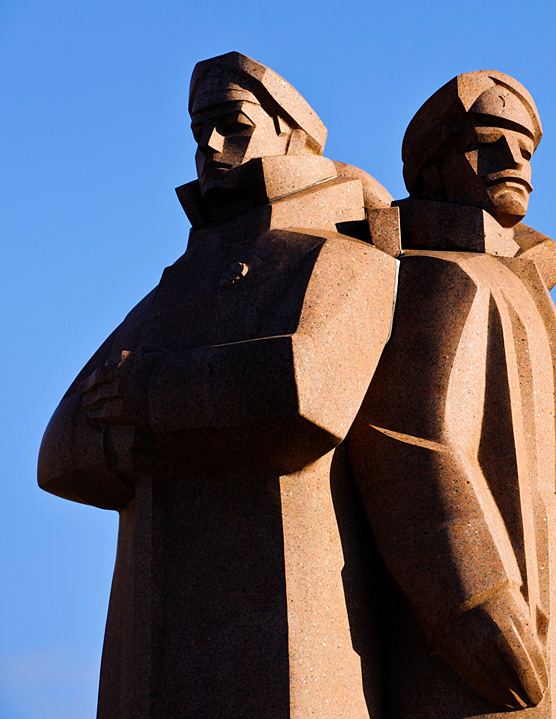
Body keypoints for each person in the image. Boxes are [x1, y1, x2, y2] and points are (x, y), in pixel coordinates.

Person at [38, 52, 397, 718]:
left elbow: (304, 395)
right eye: (199, 129)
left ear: (291, 135)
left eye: (233, 124)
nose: (209, 145)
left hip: (292, 626)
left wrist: (152, 395)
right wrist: (167, 437)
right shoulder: (173, 288)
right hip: (152, 633)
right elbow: (59, 448)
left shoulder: (343, 258)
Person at [348, 71, 556, 718]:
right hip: (483, 658)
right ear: (434, 166)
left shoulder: (536, 301)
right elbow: (410, 437)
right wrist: (474, 602)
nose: (517, 162)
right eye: (491, 142)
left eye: (527, 148)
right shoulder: (443, 276)